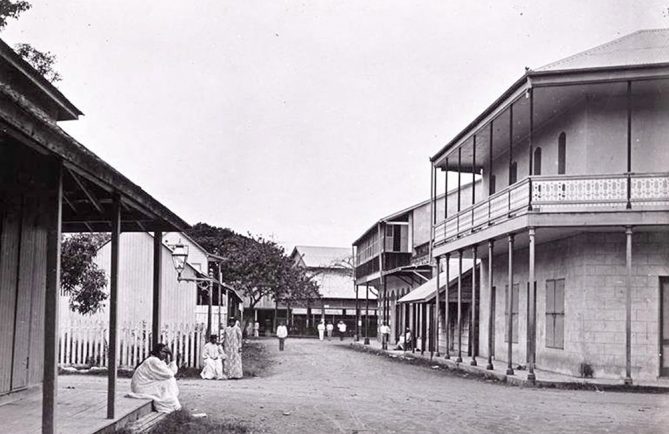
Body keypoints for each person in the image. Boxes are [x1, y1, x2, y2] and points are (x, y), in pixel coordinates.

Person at [127, 343, 181, 413]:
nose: (165, 354)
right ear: (157, 352)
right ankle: (170, 404)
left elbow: (173, 372)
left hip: (145, 385)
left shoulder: (158, 361)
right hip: (141, 387)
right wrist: (171, 354)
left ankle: (171, 403)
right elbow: (170, 374)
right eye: (163, 352)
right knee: (169, 381)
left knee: (170, 381)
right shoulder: (153, 360)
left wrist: (171, 356)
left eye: (166, 352)